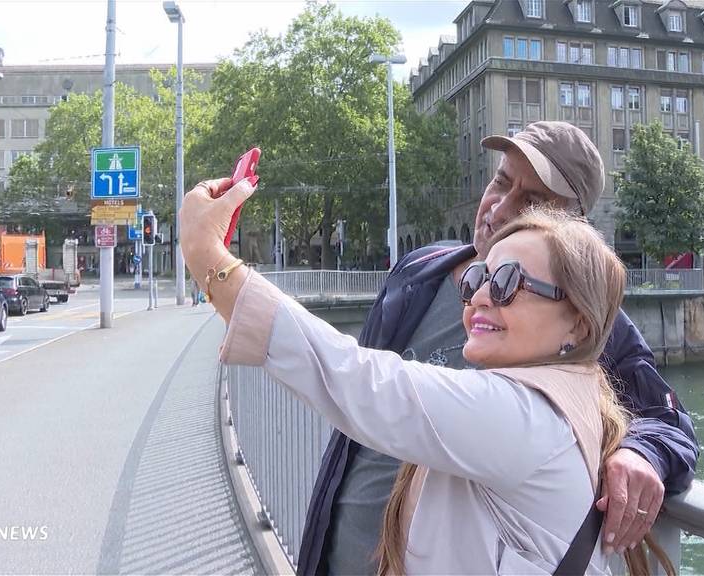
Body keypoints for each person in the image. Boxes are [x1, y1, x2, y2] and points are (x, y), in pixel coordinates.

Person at [180, 178, 672, 573]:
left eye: (506, 283)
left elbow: (357, 379)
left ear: (578, 323)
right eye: (479, 277)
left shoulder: (522, 415)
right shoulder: (575, 396)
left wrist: (207, 256)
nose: (479, 295)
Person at [294, 121, 699, 575]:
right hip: (332, 555)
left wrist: (639, 453)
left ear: (571, 226)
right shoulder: (420, 271)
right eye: (501, 182)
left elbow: (669, 420)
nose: (500, 208)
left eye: (532, 201)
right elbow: (360, 391)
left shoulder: (584, 319)